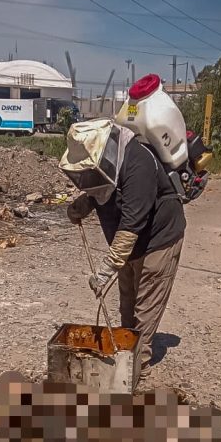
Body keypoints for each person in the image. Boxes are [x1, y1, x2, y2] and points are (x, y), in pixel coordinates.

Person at [60, 119, 185, 383]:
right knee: (127, 301)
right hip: (128, 242)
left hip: (159, 238)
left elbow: (131, 223)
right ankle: (125, 348)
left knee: (145, 305)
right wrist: (82, 205)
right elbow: (101, 188)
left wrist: (106, 270)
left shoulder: (138, 164)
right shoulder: (106, 164)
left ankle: (136, 367)